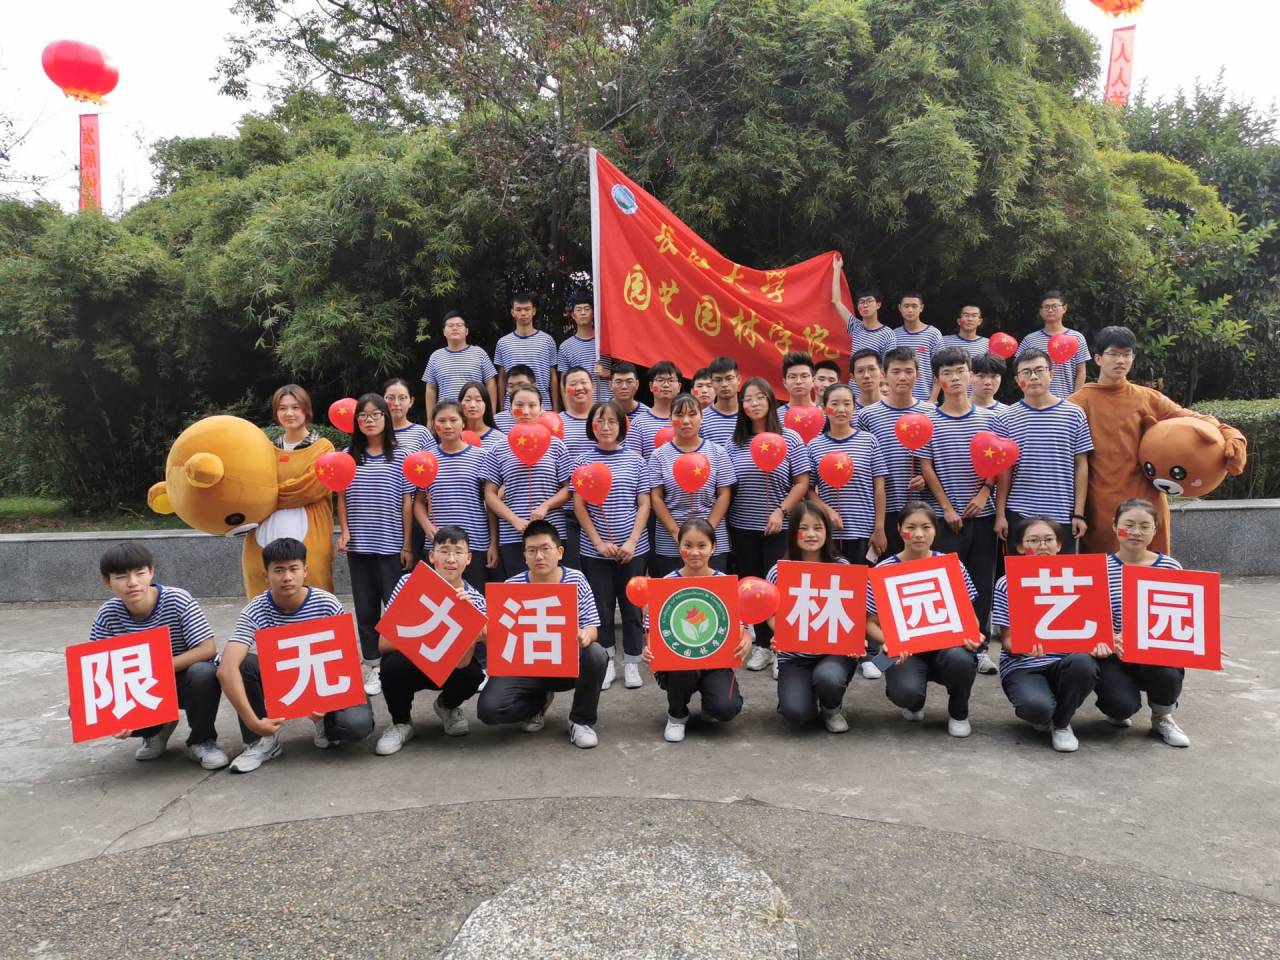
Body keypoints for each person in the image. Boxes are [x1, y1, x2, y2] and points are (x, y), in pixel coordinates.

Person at [1069, 325, 1246, 555]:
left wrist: (1230, 433)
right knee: (1106, 570)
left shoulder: (1147, 397)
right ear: (1098, 358)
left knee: (1153, 568)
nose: (1121, 360)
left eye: (1127, 354)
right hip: (1100, 505)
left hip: (1147, 502)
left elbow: (1190, 418)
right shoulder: (1078, 403)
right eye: (1113, 354)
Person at [217, 537, 374, 774]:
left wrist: (328, 702)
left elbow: (347, 661)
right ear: (266, 575)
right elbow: (226, 668)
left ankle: (326, 725)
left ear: (305, 571)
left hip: (324, 677)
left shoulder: (326, 603)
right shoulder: (255, 609)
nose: (287, 577)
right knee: (241, 664)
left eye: (293, 569)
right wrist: (253, 722)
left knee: (356, 725)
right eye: (279, 570)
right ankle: (261, 742)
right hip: (283, 675)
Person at [89, 542, 227, 769]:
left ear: (151, 572)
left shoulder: (177, 599)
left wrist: (156, 668)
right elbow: (99, 670)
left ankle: (202, 741)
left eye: (140, 573)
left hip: (183, 679)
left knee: (204, 672)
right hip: (140, 686)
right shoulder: (107, 615)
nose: (132, 582)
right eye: (121, 577)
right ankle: (155, 730)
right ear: (107, 581)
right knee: (82, 709)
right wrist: (113, 718)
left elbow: (207, 648)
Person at [476, 521, 608, 748]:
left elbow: (592, 627)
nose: (539, 556)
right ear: (524, 555)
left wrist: (585, 636)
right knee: (489, 709)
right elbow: (498, 636)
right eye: (532, 550)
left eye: (545, 549)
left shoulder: (576, 579)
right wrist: (486, 634)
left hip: (564, 664)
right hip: (524, 666)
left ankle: (581, 721)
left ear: (560, 552)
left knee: (596, 654)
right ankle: (537, 703)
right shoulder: (512, 586)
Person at [868, 502, 982, 738]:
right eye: (911, 527)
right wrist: (888, 641)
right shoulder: (882, 570)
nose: (919, 534)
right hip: (905, 651)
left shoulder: (952, 565)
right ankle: (913, 702)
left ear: (935, 530)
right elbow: (868, 623)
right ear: (899, 530)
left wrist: (972, 634)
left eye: (926, 527)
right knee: (904, 693)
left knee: (961, 659)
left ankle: (959, 713)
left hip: (947, 648)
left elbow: (970, 617)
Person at [918, 347, 1000, 673]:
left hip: (984, 515)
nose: (954, 378)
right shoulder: (928, 421)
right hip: (944, 518)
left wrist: (985, 491)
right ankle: (948, 644)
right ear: (938, 379)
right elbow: (926, 466)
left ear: (970, 374)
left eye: (960, 371)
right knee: (946, 583)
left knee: (982, 583)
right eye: (947, 373)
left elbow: (998, 461)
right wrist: (946, 508)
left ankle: (979, 647)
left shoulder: (991, 418)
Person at [990, 516, 1102, 753]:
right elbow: (1008, 641)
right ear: (1020, 547)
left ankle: (1061, 724)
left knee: (1084, 663)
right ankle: (1047, 711)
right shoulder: (1006, 583)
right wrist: (1022, 646)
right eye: (1033, 540)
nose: (1042, 546)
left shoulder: (1080, 577)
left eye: (1049, 540)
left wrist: (1100, 644)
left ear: (1059, 545)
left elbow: (1094, 629)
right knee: (1037, 710)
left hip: (1066, 661)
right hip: (1024, 664)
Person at [373, 525, 487, 756]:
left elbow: (462, 663)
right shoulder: (409, 583)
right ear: (432, 556)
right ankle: (401, 723)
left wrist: (467, 618)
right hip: (412, 662)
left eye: (458, 552)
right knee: (391, 666)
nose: (451, 559)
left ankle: (447, 706)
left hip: (450, 667)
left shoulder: (475, 600)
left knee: (474, 675)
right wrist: (426, 640)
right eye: (444, 551)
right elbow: (384, 644)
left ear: (468, 558)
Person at [641, 518, 754, 743]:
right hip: (680, 663)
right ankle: (677, 715)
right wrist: (650, 649)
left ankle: (710, 704)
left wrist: (747, 639)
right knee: (681, 666)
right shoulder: (666, 583)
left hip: (717, 660)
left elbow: (742, 624)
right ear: (679, 547)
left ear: (713, 548)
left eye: (702, 546)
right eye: (688, 545)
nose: (694, 552)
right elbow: (651, 626)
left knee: (726, 708)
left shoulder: (725, 583)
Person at [726, 377, 811, 672]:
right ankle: (763, 644)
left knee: (779, 587)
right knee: (753, 588)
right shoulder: (735, 442)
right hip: (742, 527)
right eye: (747, 399)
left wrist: (780, 511)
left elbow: (801, 482)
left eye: (760, 397)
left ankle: (783, 646)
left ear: (771, 401)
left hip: (780, 527)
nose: (754, 403)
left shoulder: (790, 438)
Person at [1098, 498, 1193, 747]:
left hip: (1155, 652)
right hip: (1114, 654)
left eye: (1144, 526)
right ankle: (1117, 708)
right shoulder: (1099, 569)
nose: (1136, 532)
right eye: (1128, 525)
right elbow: (1089, 618)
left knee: (1167, 669)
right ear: (1114, 526)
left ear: (1155, 529)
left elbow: (1185, 615)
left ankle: (1162, 717)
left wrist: (1204, 641)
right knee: (1120, 707)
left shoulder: (1170, 567)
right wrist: (1109, 639)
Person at [337, 393, 413, 697]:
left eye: (375, 414)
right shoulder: (347, 456)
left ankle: (396, 663)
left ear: (386, 417)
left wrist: (407, 545)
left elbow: (408, 503)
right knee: (366, 609)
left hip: (391, 544)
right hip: (359, 546)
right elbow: (340, 496)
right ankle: (373, 663)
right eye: (363, 416)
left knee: (396, 610)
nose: (369, 420)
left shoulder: (402, 456)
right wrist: (344, 532)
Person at [573, 400, 652, 690]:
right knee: (601, 608)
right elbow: (579, 505)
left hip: (633, 549)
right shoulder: (582, 461)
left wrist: (632, 541)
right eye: (599, 421)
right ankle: (606, 662)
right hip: (595, 551)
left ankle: (632, 662)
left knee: (632, 608)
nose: (605, 427)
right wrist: (597, 542)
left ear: (622, 426)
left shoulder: (636, 460)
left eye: (612, 421)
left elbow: (644, 504)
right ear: (591, 426)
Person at [766, 503, 858, 732]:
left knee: (829, 679)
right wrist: (780, 634)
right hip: (795, 656)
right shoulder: (779, 571)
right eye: (803, 528)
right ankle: (797, 696)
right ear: (793, 532)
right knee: (797, 713)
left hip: (833, 653)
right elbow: (770, 612)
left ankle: (831, 707)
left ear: (827, 532)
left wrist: (855, 641)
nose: (811, 534)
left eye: (818, 528)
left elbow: (853, 613)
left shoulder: (842, 567)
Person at [994, 349, 1093, 554]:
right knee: (1020, 572)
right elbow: (1004, 471)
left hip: (1062, 513)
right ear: (1017, 379)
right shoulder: (1006, 418)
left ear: (1051, 373)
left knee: (1062, 573)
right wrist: (1001, 515)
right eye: (1026, 372)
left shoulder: (1074, 413)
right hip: (1020, 513)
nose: (1033, 377)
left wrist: (1079, 513)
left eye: (1040, 370)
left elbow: (1081, 464)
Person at [247, 383, 336, 596]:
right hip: (264, 533)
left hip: (310, 532)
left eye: (295, 407)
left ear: (306, 410)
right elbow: (250, 486)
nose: (289, 413)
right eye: (283, 408)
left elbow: (309, 488)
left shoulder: (323, 448)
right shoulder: (266, 449)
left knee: (314, 589)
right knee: (262, 591)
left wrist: (266, 496)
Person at [481, 383, 571, 577]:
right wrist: (514, 519)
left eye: (532, 405)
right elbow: (490, 494)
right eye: (519, 405)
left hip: (551, 533)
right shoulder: (498, 448)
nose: (526, 411)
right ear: (510, 408)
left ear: (541, 409)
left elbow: (568, 489)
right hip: (513, 535)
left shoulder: (556, 445)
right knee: (519, 588)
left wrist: (546, 506)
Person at [856, 346, 935, 558]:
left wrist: (926, 478)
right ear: (884, 374)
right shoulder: (867, 416)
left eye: (908, 371)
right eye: (896, 371)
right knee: (887, 569)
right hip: (883, 511)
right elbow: (863, 463)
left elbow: (938, 459)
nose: (902, 377)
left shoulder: (931, 413)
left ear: (917, 374)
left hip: (923, 510)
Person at [648, 393, 736, 577]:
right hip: (671, 541)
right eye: (679, 415)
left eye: (692, 414)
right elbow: (656, 497)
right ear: (670, 418)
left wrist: (707, 532)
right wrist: (677, 533)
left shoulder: (718, 452)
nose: (686, 421)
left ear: (702, 417)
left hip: (711, 542)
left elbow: (724, 494)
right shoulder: (658, 455)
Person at [413, 401, 497, 592]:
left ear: (463, 422)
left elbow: (490, 503)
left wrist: (493, 543)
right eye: (441, 421)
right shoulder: (425, 460)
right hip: (439, 544)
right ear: (434, 424)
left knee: (473, 600)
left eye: (453, 420)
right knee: (438, 600)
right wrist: (427, 526)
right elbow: (418, 502)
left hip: (475, 542)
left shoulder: (482, 456)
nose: (448, 426)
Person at [808, 383, 888, 565]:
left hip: (864, 530)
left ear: (854, 407)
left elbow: (879, 488)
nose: (841, 409)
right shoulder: (814, 445)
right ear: (824, 408)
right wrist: (828, 511)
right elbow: (809, 490)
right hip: (827, 532)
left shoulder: (869, 441)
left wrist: (879, 528)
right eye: (834, 404)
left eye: (847, 404)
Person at [558, 366, 599, 570]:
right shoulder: (556, 423)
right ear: (565, 389)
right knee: (573, 571)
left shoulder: (606, 420)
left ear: (593, 386)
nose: (579, 387)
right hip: (568, 512)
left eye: (583, 382)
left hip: (603, 510)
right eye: (573, 384)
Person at [421, 310, 498, 417]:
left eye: (459, 325)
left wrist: (491, 412)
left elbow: (491, 383)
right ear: (444, 332)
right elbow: (431, 388)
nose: (455, 328)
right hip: (446, 415)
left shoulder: (479, 353)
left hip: (474, 413)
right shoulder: (436, 356)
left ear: (466, 331)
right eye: (450, 325)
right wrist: (430, 418)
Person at [1016, 290, 1089, 398]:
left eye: (1054, 306)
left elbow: (1081, 371)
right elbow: (1020, 370)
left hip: (1068, 400)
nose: (1050, 310)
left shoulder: (1077, 338)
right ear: (1041, 311)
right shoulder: (1030, 340)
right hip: (1037, 401)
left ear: (1064, 308)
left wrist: (1075, 399)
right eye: (1046, 307)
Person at [495, 291, 559, 411]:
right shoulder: (503, 343)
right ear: (512, 312)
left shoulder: (547, 340)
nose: (523, 313)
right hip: (512, 407)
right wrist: (502, 408)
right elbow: (502, 378)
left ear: (534, 311)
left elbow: (553, 376)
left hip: (543, 406)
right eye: (519, 309)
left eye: (527, 309)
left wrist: (556, 408)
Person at [558, 292, 611, 404]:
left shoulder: (606, 341)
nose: (583, 313)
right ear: (573, 315)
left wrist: (606, 373)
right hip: (580, 405)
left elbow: (623, 371)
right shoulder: (565, 347)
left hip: (608, 403)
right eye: (579, 309)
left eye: (587, 309)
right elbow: (563, 383)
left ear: (593, 313)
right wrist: (569, 409)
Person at [833, 265, 895, 360]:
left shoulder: (887, 333)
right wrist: (836, 269)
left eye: (869, 301)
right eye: (862, 302)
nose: (865, 305)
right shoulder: (855, 327)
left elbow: (889, 364)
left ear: (878, 305)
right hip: (855, 370)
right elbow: (837, 301)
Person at [892, 291, 944, 403]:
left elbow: (940, 369)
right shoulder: (894, 335)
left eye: (914, 306)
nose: (910, 310)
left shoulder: (933, 334)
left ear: (921, 308)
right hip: (898, 401)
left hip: (926, 400)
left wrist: (932, 399)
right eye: (906, 306)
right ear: (900, 308)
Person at [628, 360, 680, 458]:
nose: (666, 385)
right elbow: (633, 461)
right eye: (660, 380)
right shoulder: (638, 424)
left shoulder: (687, 421)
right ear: (651, 386)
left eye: (671, 380)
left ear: (679, 387)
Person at [384, 377, 436, 453]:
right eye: (390, 398)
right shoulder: (375, 431)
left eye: (402, 398)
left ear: (411, 401)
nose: (396, 403)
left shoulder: (421, 433)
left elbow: (433, 458)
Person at [701, 356, 741, 446]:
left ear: (738, 380)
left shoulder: (749, 416)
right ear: (711, 383)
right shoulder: (701, 418)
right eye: (718, 380)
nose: (724, 384)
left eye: (729, 378)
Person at [458, 379, 507, 451]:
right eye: (467, 400)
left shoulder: (500, 440)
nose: (472, 405)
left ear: (486, 404)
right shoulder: (453, 437)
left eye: (478, 400)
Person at [493, 364, 535, 432]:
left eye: (521, 384)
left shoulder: (548, 419)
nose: (516, 389)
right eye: (511, 386)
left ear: (534, 386)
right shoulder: (496, 421)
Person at [777, 351, 818, 419]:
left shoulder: (825, 415)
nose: (798, 381)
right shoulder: (775, 417)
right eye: (792, 377)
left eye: (804, 376)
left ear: (813, 381)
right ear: (785, 383)